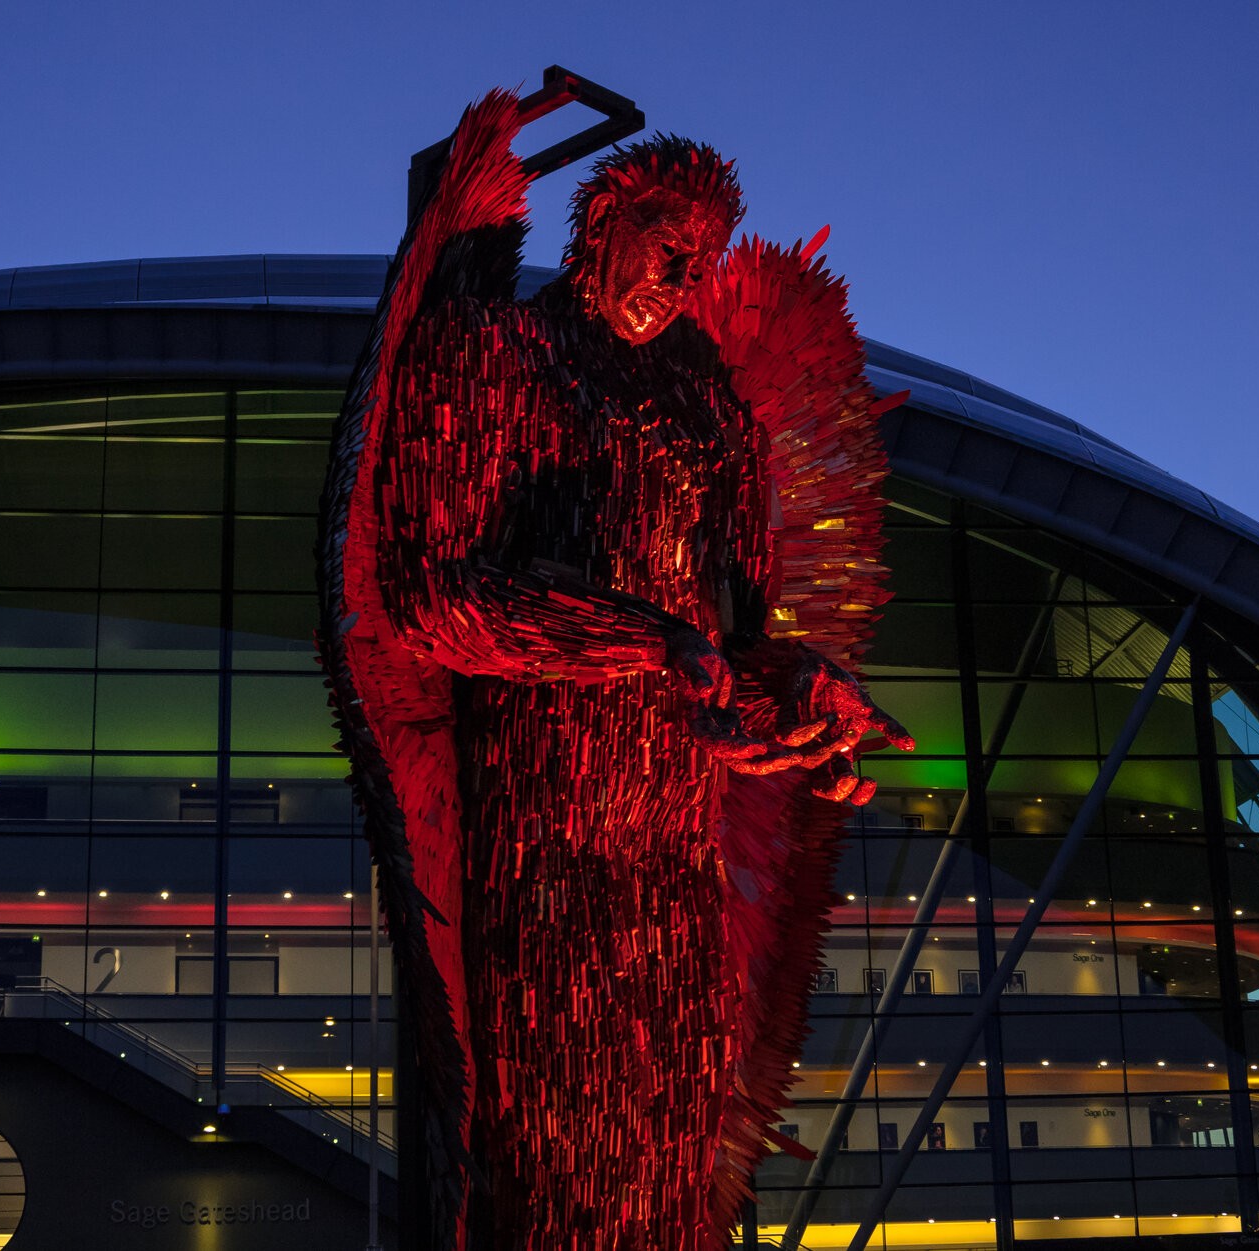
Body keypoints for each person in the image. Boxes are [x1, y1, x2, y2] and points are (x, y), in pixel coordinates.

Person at [319, 89, 912, 1251]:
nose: (680, 279)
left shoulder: (709, 411)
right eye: (666, 246)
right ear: (602, 221)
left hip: (673, 864)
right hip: (538, 858)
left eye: (700, 262)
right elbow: (430, 599)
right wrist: (636, 636)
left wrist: (801, 699)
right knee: (546, 1175)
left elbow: (730, 643)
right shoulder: (496, 353)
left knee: (669, 1184)